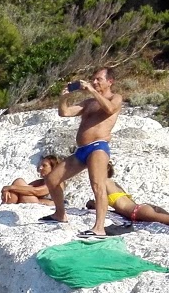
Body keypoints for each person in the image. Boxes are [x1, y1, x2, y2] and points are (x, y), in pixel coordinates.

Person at [43, 67, 123, 240]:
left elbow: (109, 109)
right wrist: (63, 98)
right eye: (93, 79)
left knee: (97, 185)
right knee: (52, 179)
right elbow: (64, 113)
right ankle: (60, 214)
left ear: (110, 81)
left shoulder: (115, 98)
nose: (94, 82)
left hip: (98, 147)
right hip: (81, 150)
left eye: (99, 79)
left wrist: (93, 91)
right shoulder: (88, 103)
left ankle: (99, 228)